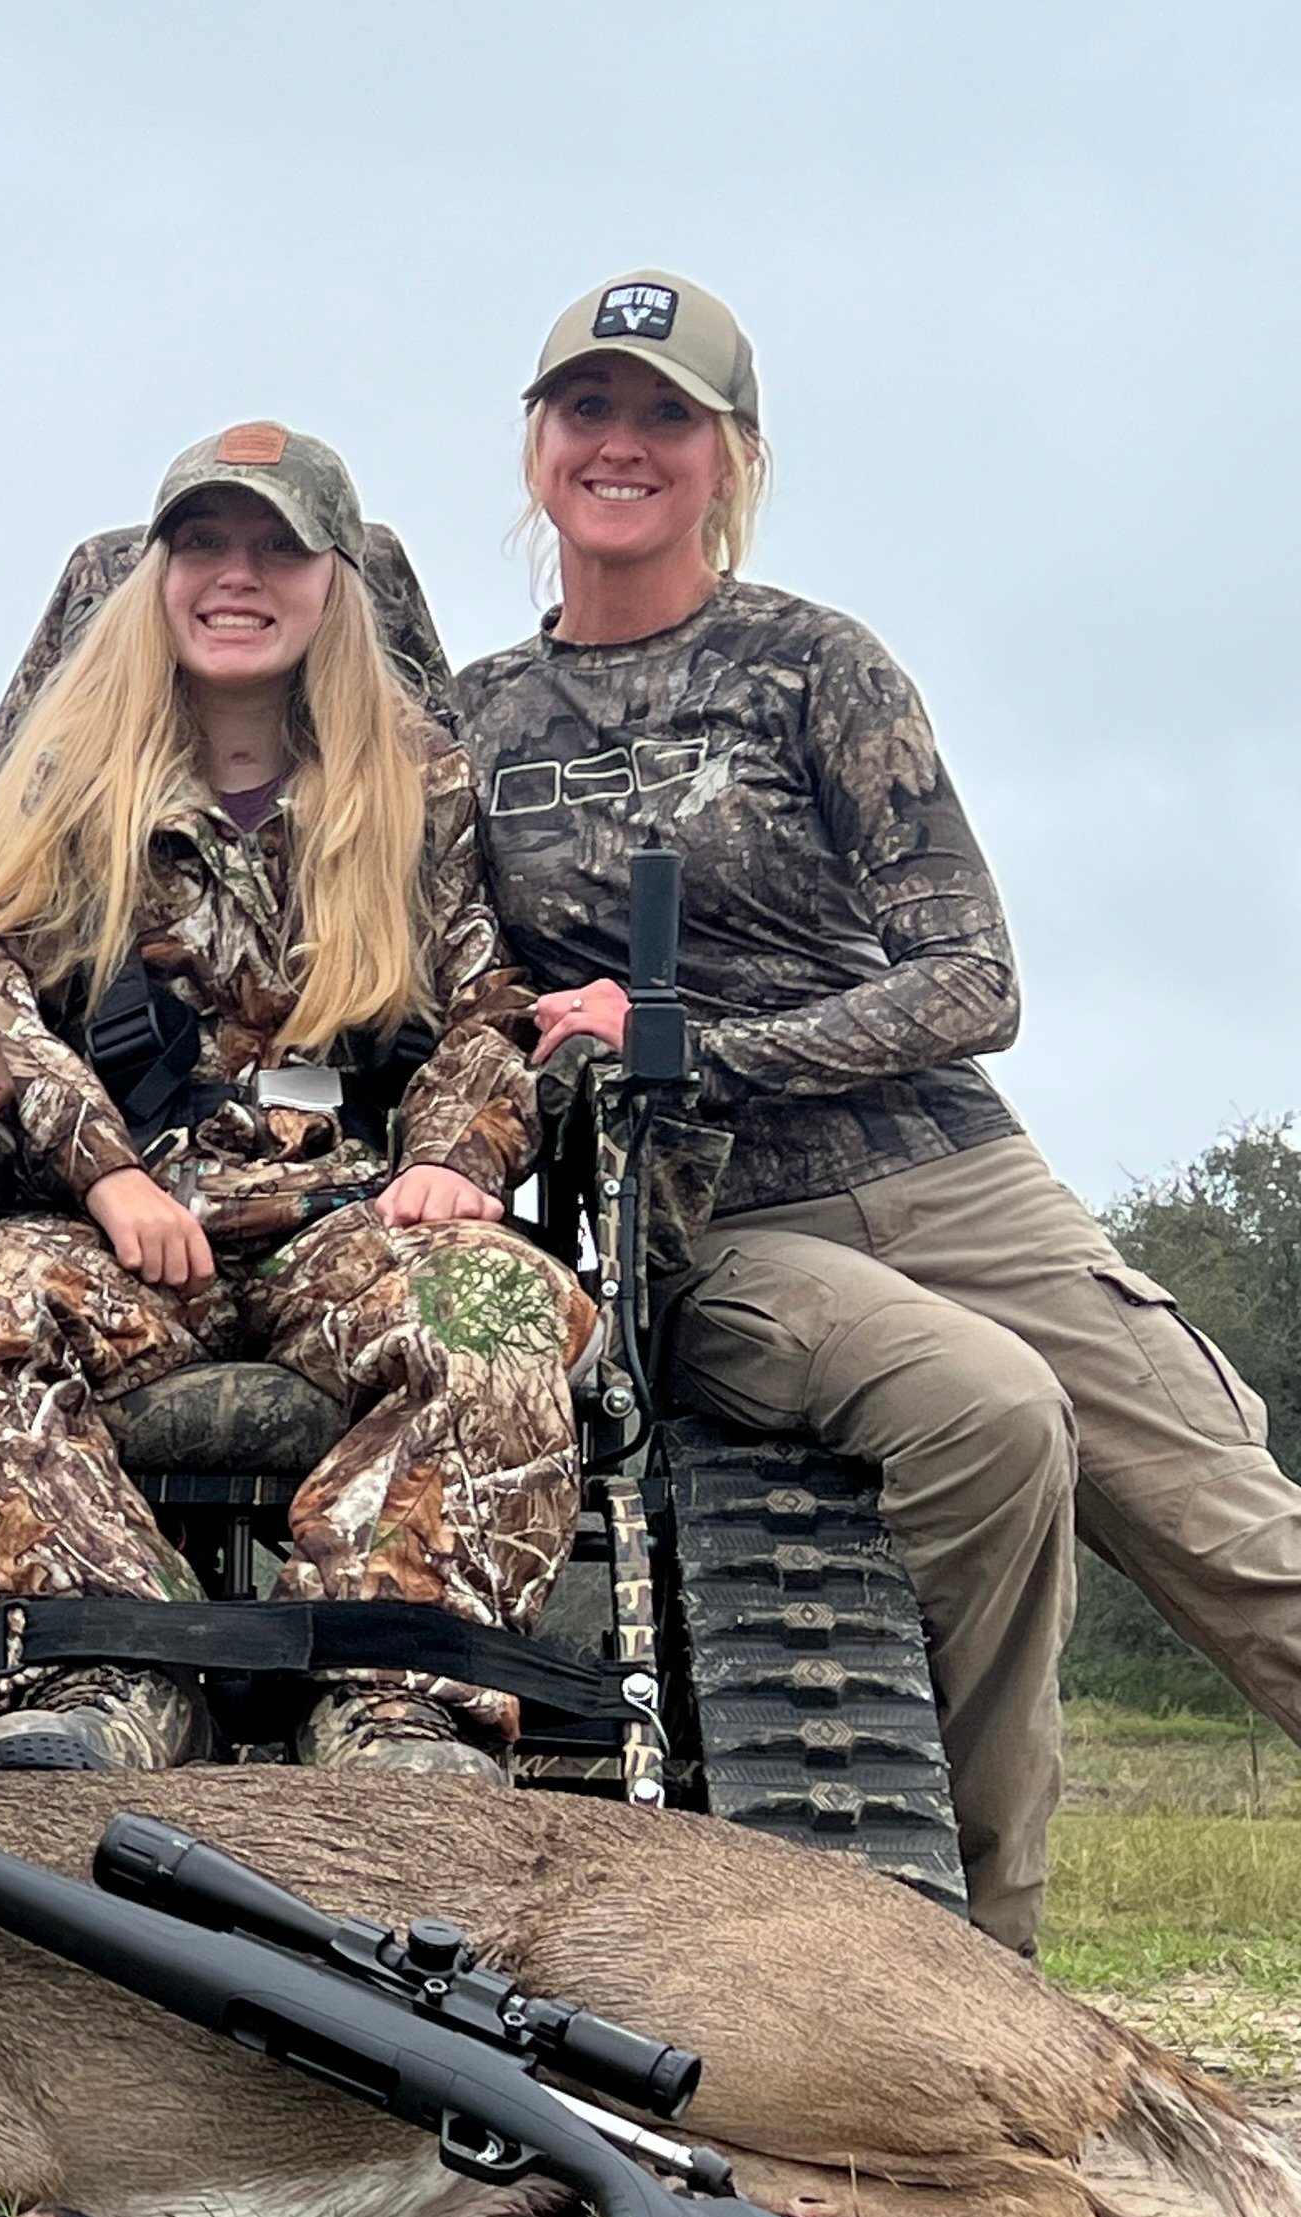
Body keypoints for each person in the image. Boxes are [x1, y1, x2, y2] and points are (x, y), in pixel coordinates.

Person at [453, 270, 1301, 1953]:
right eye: (589, 409)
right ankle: (978, 1972)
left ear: (730, 455)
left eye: (665, 416)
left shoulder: (812, 667)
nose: (622, 444)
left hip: (959, 1178)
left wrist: (690, 1037)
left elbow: (969, 978)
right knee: (992, 1424)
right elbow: (452, 993)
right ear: (537, 442)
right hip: (721, 1233)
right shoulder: (465, 723)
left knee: (1241, 1538)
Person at [0, 425, 594, 1782]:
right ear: (158, 573)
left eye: (274, 549)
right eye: (203, 545)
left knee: (502, 1305)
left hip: (349, 1222)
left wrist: (454, 1162)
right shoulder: (63, 780)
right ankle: (102, 1673)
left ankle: (395, 1696)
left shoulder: (421, 787)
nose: (234, 578)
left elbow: (493, 1013)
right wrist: (107, 1174)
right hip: (119, 1231)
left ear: (333, 583)